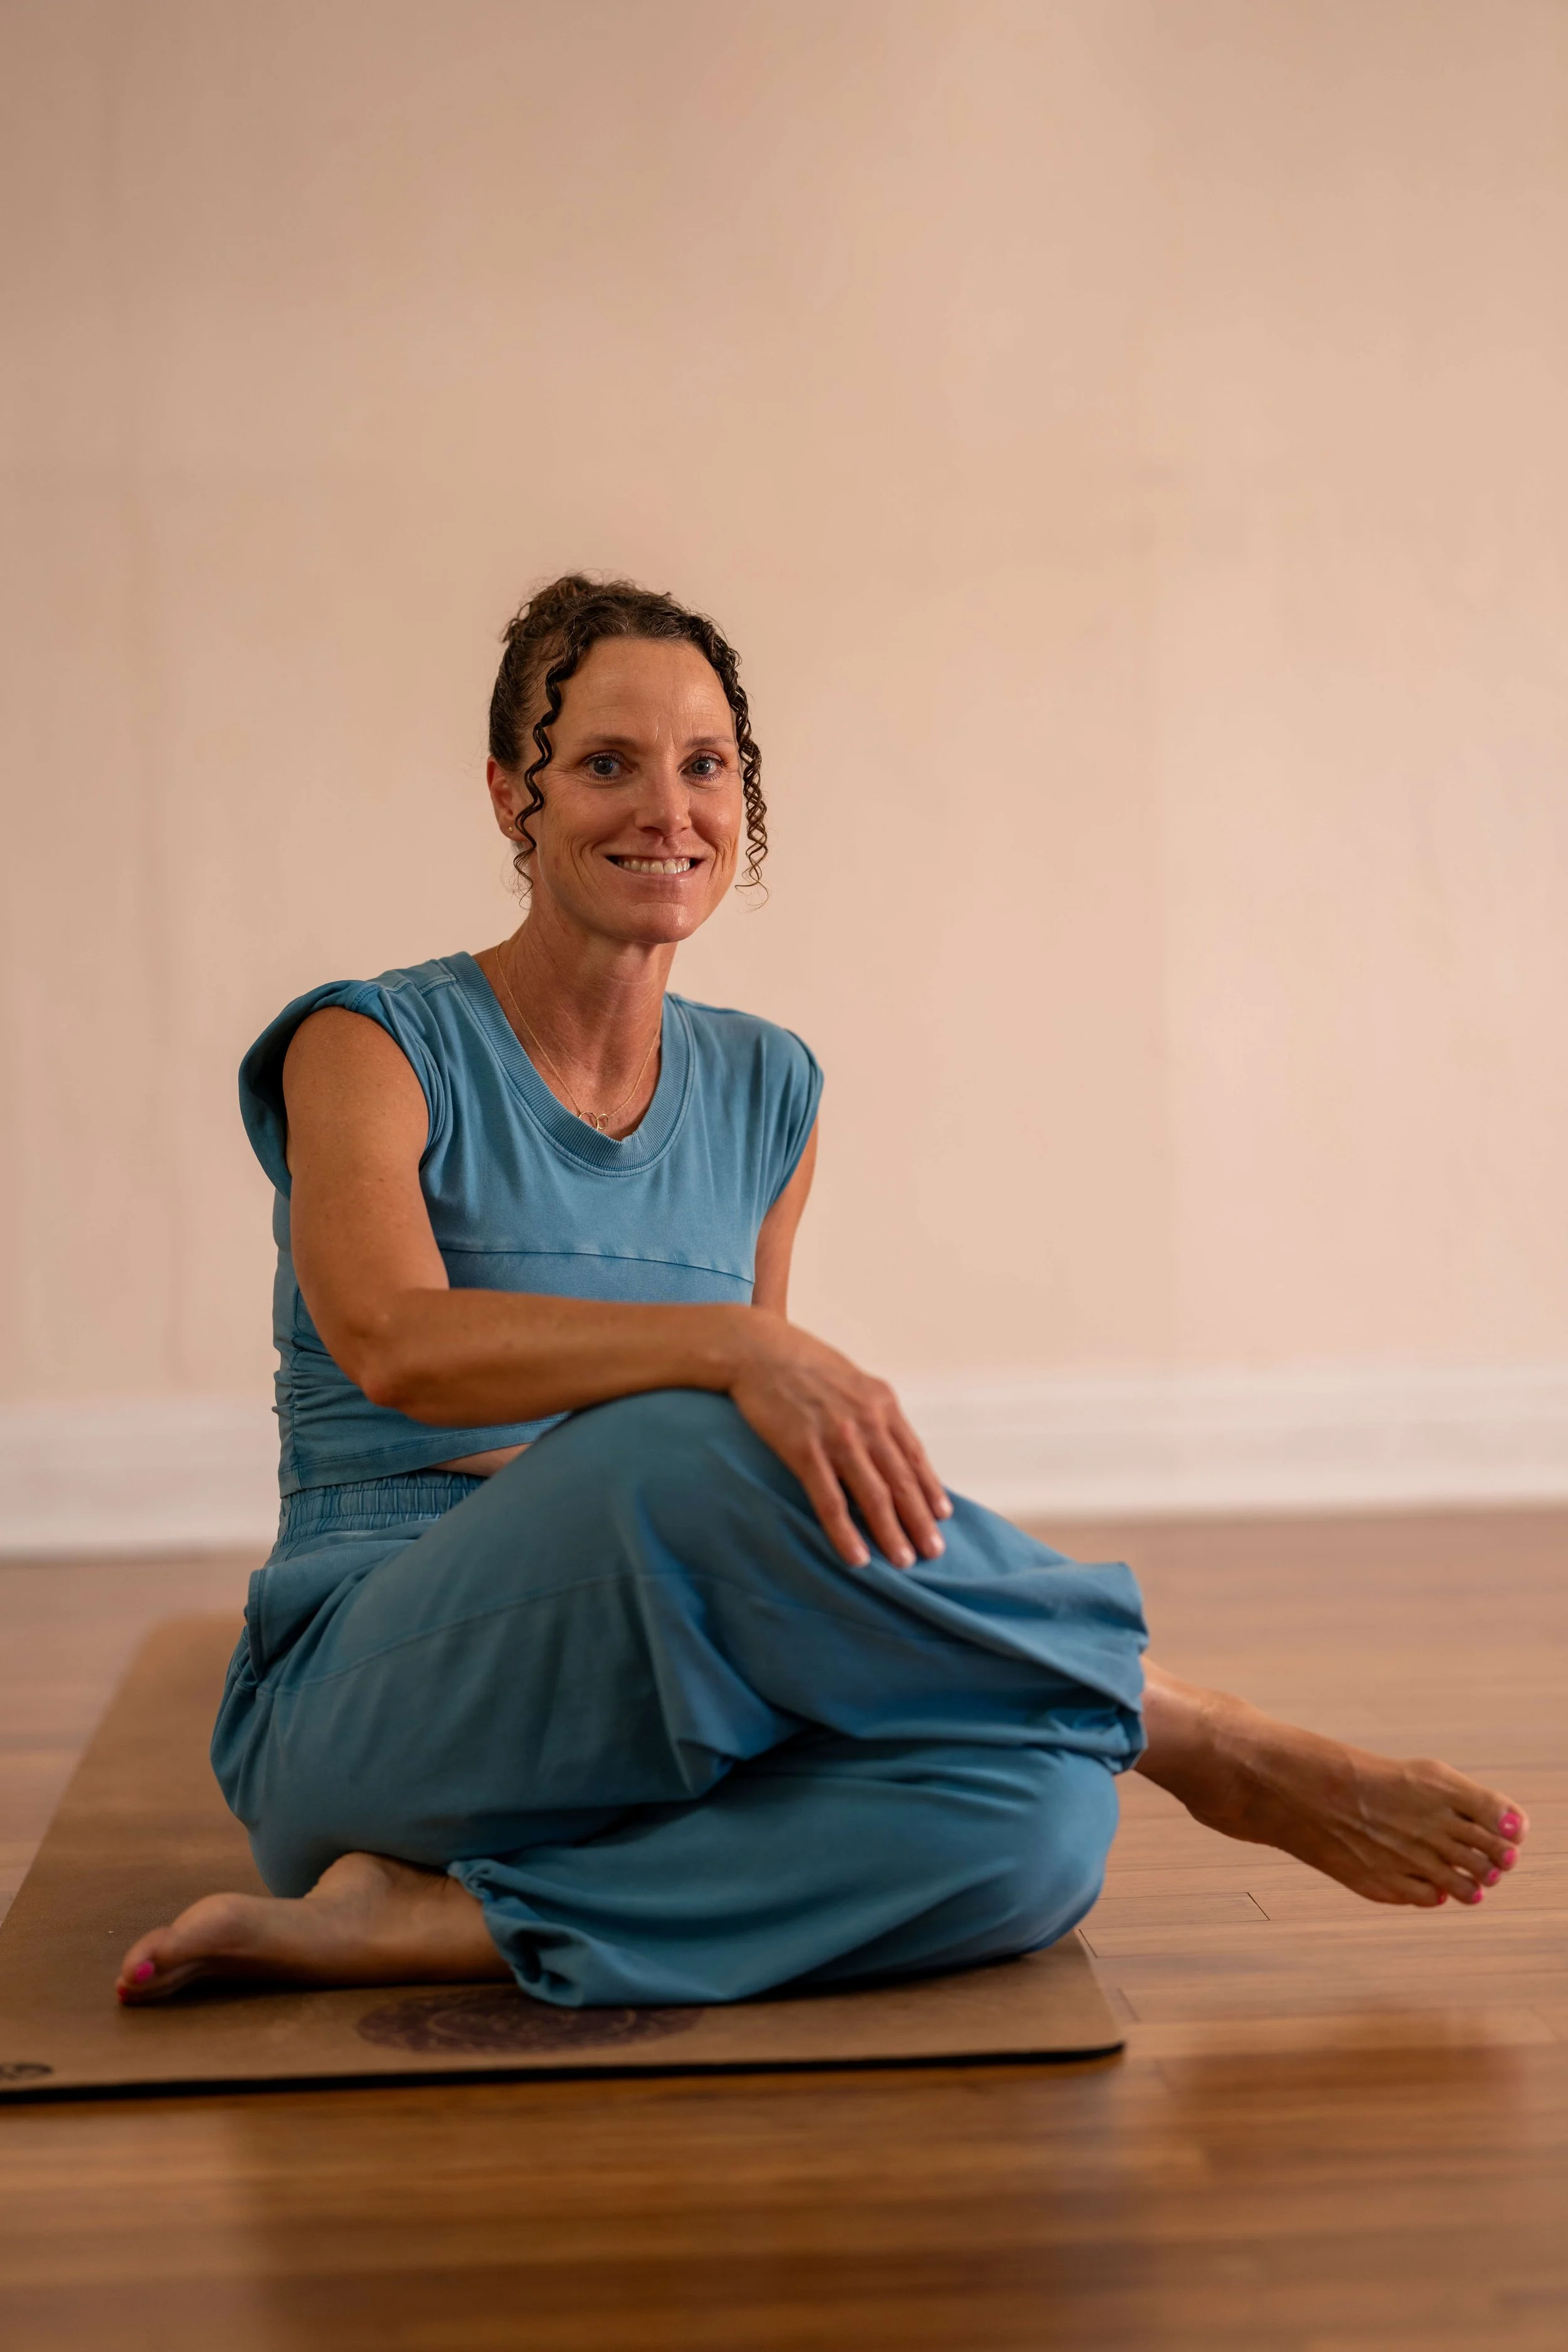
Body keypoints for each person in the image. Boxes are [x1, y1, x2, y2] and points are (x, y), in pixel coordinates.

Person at [117, 576, 1527, 2008]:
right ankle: (1184, 1725)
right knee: (697, 1426)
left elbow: (763, 1494)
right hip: (376, 1692)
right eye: (605, 763)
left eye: (705, 767)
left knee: (1038, 1828)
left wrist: (702, 1402)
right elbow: (395, 1352)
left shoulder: (765, 1087)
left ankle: (448, 1924)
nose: (666, 810)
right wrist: (716, 1355)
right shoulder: (371, 1043)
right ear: (508, 796)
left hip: (645, 1660)